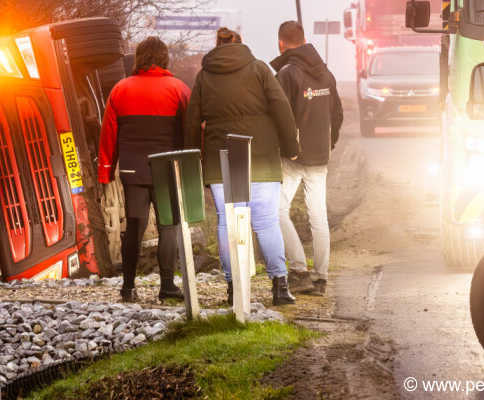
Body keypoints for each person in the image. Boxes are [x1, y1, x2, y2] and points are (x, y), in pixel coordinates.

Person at [184, 28, 301, 306]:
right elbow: (281, 106)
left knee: (228, 224)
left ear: (218, 45)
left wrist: (193, 160)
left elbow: (191, 121)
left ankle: (234, 288)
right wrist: (291, 148)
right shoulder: (259, 69)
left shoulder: (204, 76)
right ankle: (280, 287)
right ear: (241, 43)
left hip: (221, 159)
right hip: (259, 156)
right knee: (266, 222)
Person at [98, 36, 191, 303]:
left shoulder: (120, 89)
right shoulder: (179, 89)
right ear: (164, 58)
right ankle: (167, 286)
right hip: (166, 168)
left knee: (135, 225)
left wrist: (105, 172)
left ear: (138, 58)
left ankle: (128, 287)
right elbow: (190, 131)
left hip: (131, 171)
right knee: (168, 227)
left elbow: (108, 135)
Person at [270, 21, 343, 297]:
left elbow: (279, 117)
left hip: (293, 157)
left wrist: (286, 149)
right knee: (318, 217)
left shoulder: (286, 74)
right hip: (320, 157)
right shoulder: (326, 73)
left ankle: (299, 271)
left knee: (277, 210)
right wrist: (328, 144)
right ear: (304, 40)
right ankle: (320, 278)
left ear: (281, 43)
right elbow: (337, 115)